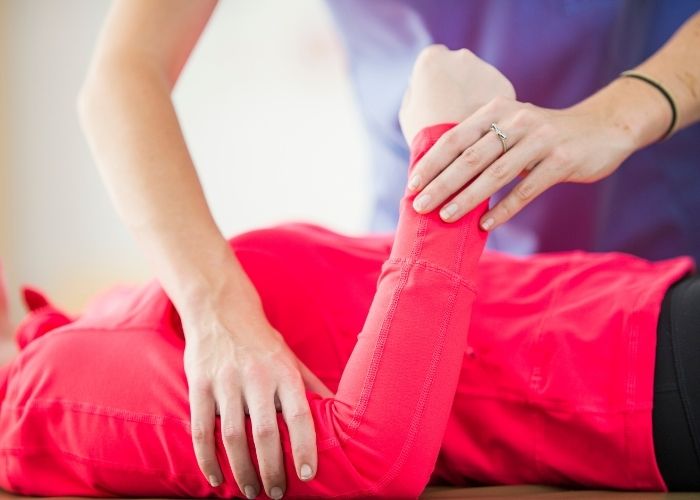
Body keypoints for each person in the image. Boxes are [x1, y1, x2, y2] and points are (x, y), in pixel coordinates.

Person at [2, 47, 698, 498]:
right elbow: (359, 469)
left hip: (636, 310)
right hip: (632, 375)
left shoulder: (77, 331)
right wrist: (441, 141)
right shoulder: (43, 399)